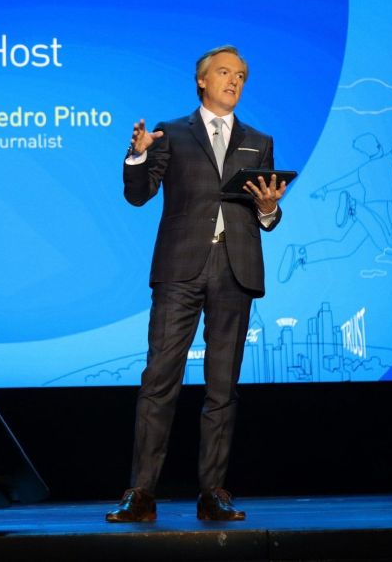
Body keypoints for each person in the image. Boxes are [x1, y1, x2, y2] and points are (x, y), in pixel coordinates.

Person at [107, 45, 287, 522]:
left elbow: (266, 214)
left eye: (241, 75)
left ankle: (213, 493)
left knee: (222, 387)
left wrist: (269, 208)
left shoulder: (259, 140)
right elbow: (138, 195)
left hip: (235, 269)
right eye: (225, 72)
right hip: (179, 270)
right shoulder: (171, 133)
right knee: (159, 380)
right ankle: (141, 493)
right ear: (202, 80)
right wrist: (136, 157)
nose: (234, 81)